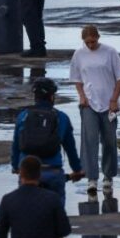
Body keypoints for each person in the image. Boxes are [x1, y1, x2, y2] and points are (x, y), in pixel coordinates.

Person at [69, 25, 120, 193]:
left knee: (109, 140)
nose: (90, 45)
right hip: (89, 103)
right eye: (87, 42)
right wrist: (81, 96)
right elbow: (77, 78)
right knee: (90, 140)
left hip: (109, 104)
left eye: (93, 41)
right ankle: (92, 178)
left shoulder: (110, 52)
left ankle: (108, 176)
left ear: (98, 37)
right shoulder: (79, 54)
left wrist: (114, 100)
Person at [10, 77, 84, 206]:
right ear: (51, 97)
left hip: (27, 175)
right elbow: (70, 148)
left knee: (25, 213)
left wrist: (16, 166)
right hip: (53, 172)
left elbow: (16, 145)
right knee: (57, 215)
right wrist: (77, 170)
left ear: (35, 96)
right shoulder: (62, 117)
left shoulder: (23, 115)